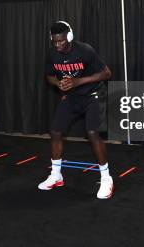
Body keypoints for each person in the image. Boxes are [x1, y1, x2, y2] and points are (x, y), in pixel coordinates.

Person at [38, 21, 114, 199]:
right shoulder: (52, 54)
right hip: (72, 96)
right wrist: (58, 83)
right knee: (55, 131)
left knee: (92, 132)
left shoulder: (85, 50)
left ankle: (106, 178)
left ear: (69, 37)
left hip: (93, 95)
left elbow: (107, 73)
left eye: (61, 41)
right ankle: (56, 176)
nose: (58, 45)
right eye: (54, 42)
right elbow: (49, 75)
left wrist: (78, 81)